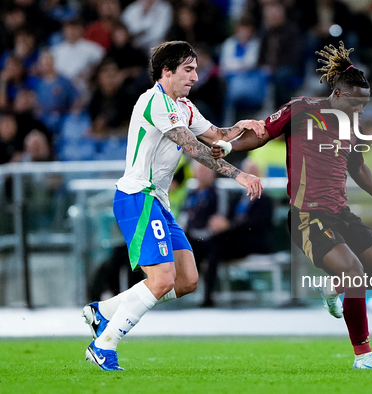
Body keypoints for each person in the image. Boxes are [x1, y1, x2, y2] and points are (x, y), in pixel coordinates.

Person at [212, 42, 372, 370]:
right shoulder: (301, 109)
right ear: (339, 94)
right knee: (355, 272)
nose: (361, 110)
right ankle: (364, 356)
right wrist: (228, 145)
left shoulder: (349, 127)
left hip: (342, 213)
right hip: (307, 215)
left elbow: (358, 167)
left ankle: (334, 286)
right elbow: (261, 134)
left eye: (366, 104)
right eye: (357, 103)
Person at [82, 41, 264, 371]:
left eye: (196, 69)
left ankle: (104, 312)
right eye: (188, 69)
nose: (196, 75)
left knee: (186, 280)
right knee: (162, 278)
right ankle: (104, 344)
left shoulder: (185, 107)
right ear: (167, 71)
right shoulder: (155, 101)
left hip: (158, 203)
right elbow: (193, 147)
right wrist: (238, 175)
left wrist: (243, 127)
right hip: (138, 197)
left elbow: (217, 135)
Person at [187, 160, 274, 307]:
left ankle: (207, 295)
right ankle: (203, 293)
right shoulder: (239, 198)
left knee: (214, 247)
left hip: (253, 243)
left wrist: (229, 225)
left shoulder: (265, 200)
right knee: (210, 249)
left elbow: (256, 224)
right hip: (234, 243)